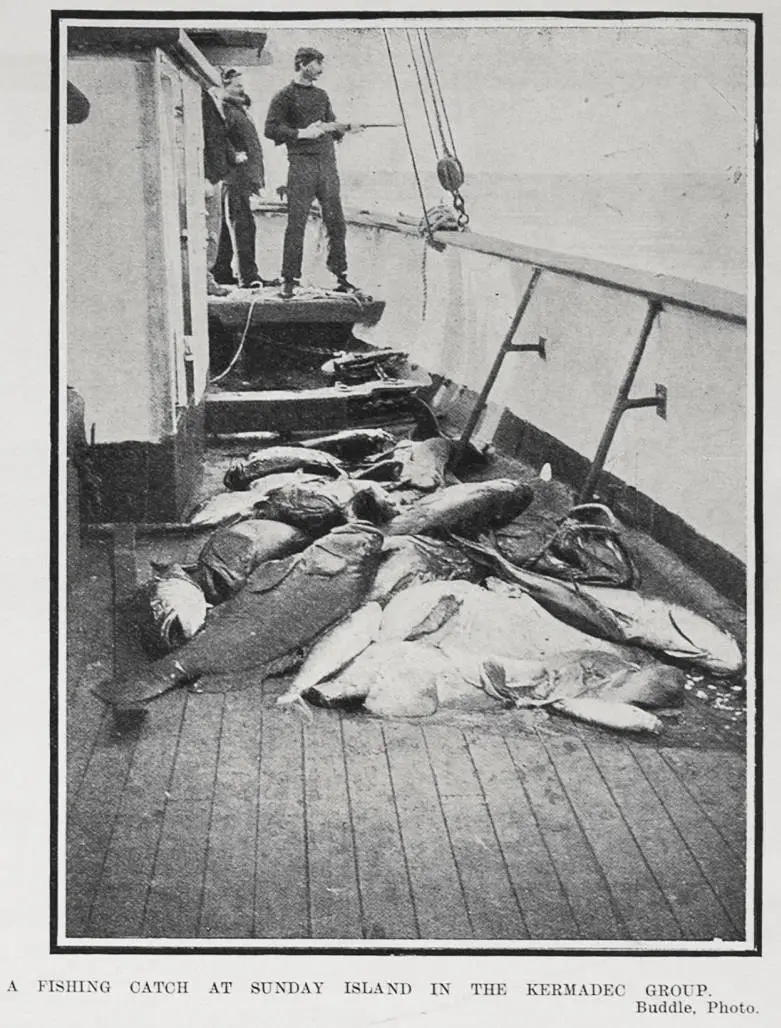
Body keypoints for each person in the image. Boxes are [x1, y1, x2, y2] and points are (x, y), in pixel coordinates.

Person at [264, 47, 363, 299]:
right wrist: (300, 133)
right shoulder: (284, 96)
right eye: (317, 63)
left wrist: (347, 128)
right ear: (302, 64)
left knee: (336, 223)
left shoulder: (322, 95)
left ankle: (340, 275)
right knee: (296, 224)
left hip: (327, 166)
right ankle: (289, 280)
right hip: (301, 167)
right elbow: (270, 129)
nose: (320, 68)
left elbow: (331, 124)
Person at [213, 68, 279, 290]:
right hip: (236, 176)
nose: (243, 89)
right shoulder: (226, 109)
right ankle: (249, 277)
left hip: (241, 177)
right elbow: (216, 136)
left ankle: (221, 271)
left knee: (229, 224)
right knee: (243, 225)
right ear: (225, 87)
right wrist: (233, 155)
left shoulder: (236, 109)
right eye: (238, 86)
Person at [201, 82, 240, 296]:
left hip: (215, 175)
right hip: (207, 176)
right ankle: (204, 279)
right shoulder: (201, 96)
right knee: (207, 232)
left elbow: (219, 138)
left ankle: (207, 278)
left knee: (213, 230)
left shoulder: (210, 98)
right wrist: (207, 174)